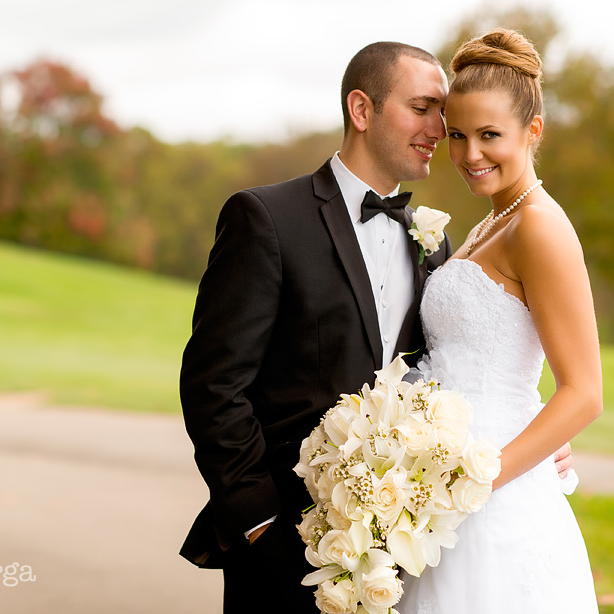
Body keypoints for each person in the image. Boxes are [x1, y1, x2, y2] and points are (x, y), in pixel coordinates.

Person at [179, 41, 572, 613]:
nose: (441, 129)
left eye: (444, 112)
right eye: (423, 108)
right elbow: (213, 386)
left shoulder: (434, 246)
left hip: (402, 550)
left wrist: (539, 433)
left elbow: (449, 371)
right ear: (361, 111)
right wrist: (260, 523)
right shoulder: (266, 219)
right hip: (285, 543)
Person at [399, 28, 602, 613]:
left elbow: (585, 394)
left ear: (532, 131)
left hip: (493, 497)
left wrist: (472, 483)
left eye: (490, 135)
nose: (469, 155)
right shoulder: (492, 224)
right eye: (457, 135)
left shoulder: (539, 226)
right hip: (441, 490)